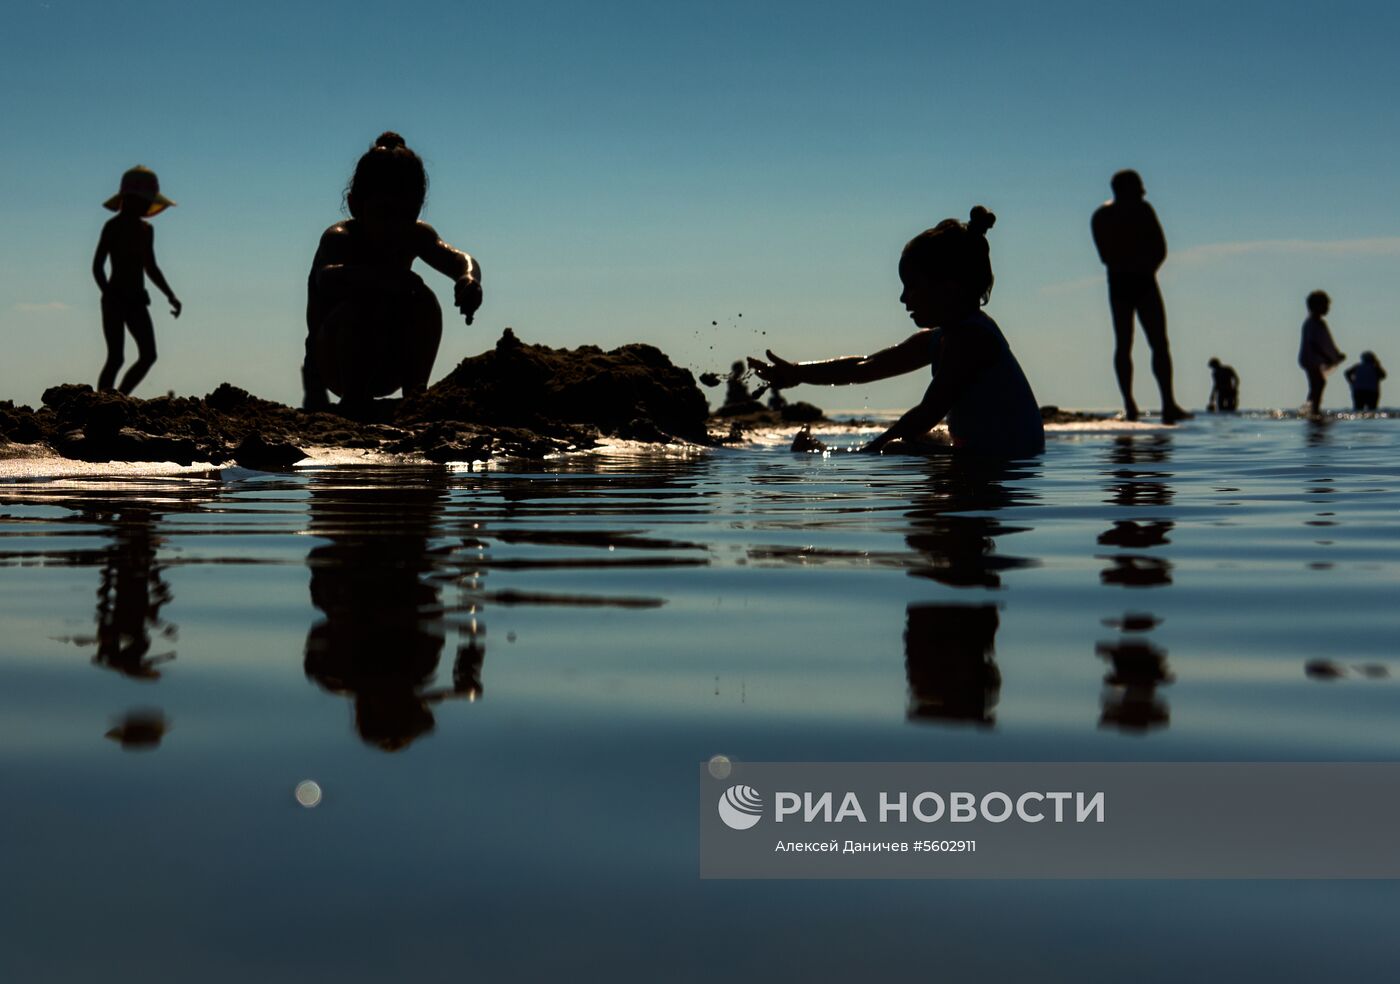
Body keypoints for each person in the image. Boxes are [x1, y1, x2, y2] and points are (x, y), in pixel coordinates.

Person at [748, 207, 1044, 459]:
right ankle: (836, 452)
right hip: (989, 454)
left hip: (1006, 461)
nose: (904, 298)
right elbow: (867, 366)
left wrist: (868, 452)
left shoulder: (971, 340)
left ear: (949, 286)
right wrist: (798, 373)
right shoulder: (941, 338)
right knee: (922, 442)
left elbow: (928, 412)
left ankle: (832, 453)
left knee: (896, 449)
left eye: (912, 286)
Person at [304, 132, 482, 411]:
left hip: (393, 361)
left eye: (405, 214)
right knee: (360, 307)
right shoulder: (341, 238)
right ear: (355, 206)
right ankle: (354, 399)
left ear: (418, 209)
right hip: (336, 361)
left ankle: (415, 396)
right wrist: (382, 280)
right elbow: (326, 279)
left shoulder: (415, 235)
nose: (394, 226)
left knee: (424, 300)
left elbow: (459, 260)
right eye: (383, 213)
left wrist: (468, 279)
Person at [1091, 170, 1190, 423]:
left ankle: (1168, 403)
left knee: (1158, 342)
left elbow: (1160, 247)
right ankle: (1130, 405)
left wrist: (1146, 267)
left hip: (1144, 282)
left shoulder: (1143, 210)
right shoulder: (1103, 215)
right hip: (1123, 283)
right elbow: (1106, 255)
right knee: (1125, 343)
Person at [91, 166, 182, 395]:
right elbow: (97, 266)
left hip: (137, 300)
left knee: (148, 355)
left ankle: (119, 398)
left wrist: (170, 295)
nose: (145, 206)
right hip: (114, 299)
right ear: (129, 199)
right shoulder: (113, 227)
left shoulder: (146, 230)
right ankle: (101, 402)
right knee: (116, 358)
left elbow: (150, 267)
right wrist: (107, 292)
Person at [1298, 290, 1345, 414]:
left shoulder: (1318, 323)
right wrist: (1328, 357)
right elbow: (1315, 343)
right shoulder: (1312, 323)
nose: (1327, 308)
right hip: (1310, 359)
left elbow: (1327, 342)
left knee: (1318, 383)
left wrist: (1335, 354)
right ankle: (1313, 409)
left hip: (1314, 359)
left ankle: (1312, 408)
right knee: (1318, 383)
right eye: (1325, 305)